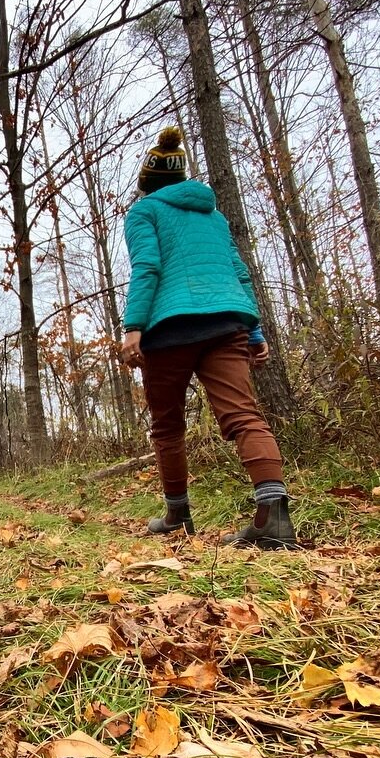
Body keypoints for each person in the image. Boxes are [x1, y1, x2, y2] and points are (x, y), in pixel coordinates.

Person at [118, 127, 295, 550]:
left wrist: (132, 327)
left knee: (167, 426)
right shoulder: (213, 216)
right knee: (244, 416)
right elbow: (240, 272)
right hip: (227, 324)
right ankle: (273, 517)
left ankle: (178, 513)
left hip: (168, 329)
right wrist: (254, 330)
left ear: (148, 184)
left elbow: (148, 267)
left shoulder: (143, 213)